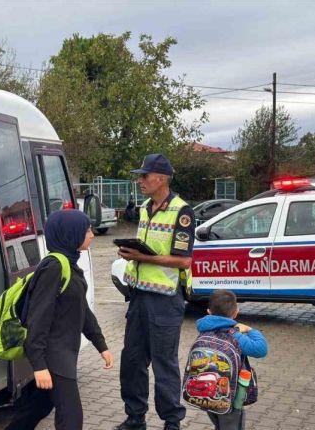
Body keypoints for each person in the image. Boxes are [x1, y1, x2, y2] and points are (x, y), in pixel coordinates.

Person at [5, 210, 114, 430]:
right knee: (71, 419)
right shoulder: (54, 267)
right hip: (54, 355)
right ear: (70, 234)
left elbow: (82, 310)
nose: (92, 234)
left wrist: (100, 344)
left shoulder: (69, 263)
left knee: (38, 407)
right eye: (87, 230)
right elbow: (38, 318)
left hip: (64, 351)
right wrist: (39, 365)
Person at [115, 153, 195, 430]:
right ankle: (135, 417)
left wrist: (143, 257)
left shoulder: (182, 212)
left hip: (165, 299)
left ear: (160, 178)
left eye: (144, 176)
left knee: (164, 364)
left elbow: (183, 260)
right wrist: (130, 253)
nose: (140, 180)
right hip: (139, 295)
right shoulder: (146, 207)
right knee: (132, 360)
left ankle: (172, 422)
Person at [194, 290, 267, 430]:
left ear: (209, 311)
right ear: (236, 313)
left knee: (219, 424)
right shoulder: (235, 336)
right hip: (231, 397)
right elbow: (261, 349)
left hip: (206, 395)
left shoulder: (203, 332)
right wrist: (250, 330)